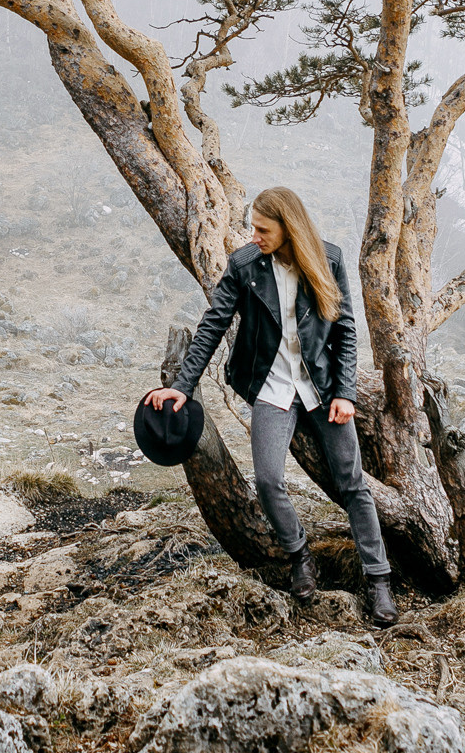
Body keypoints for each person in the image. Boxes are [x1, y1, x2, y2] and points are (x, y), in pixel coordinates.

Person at [144, 186, 397, 625]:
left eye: (263, 229)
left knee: (352, 484)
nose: (254, 235)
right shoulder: (245, 266)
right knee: (267, 480)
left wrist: (345, 394)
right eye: (253, 228)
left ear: (288, 226)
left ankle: (379, 581)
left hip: (321, 390)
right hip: (273, 389)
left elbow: (346, 332)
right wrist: (183, 387)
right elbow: (213, 325)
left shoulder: (329, 258)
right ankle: (300, 555)